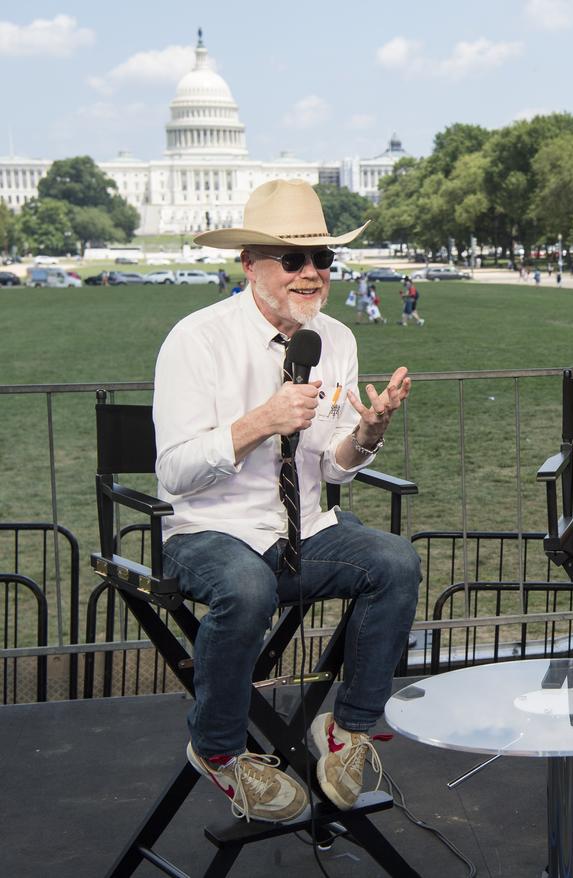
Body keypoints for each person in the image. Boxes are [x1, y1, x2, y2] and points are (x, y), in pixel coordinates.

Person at [154, 180, 421, 823]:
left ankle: (348, 729)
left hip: (303, 526)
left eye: (323, 259)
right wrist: (260, 421)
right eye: (292, 259)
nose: (311, 274)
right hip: (207, 530)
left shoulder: (335, 339)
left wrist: (367, 434)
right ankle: (219, 751)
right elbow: (174, 471)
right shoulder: (197, 339)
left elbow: (333, 463)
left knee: (397, 562)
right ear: (249, 263)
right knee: (247, 588)